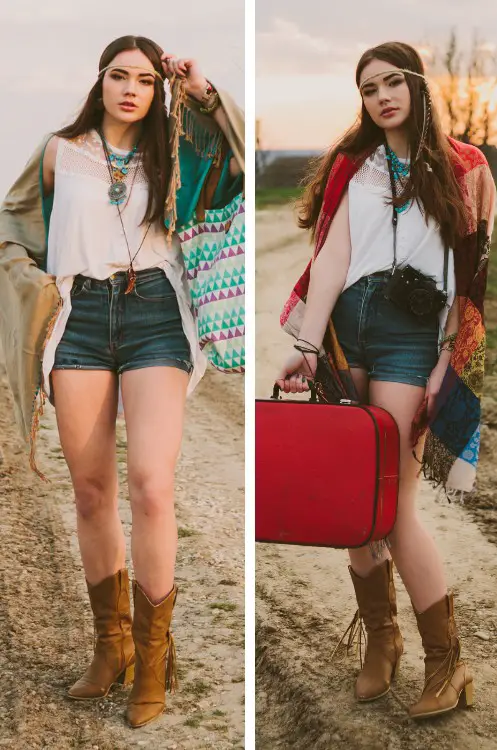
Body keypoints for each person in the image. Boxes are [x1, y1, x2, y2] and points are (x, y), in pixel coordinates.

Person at [0, 35, 243, 729]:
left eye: (143, 78)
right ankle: (112, 646)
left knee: (151, 486)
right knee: (91, 490)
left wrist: (200, 93)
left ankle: (155, 658)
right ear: (99, 81)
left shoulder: (179, 152)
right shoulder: (57, 151)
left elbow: (239, 168)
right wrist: (30, 286)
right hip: (78, 316)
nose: (131, 88)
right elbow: (13, 227)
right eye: (119, 76)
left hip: (156, 315)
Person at [277, 41, 495, 719]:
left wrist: (444, 366)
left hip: (409, 340)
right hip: (350, 333)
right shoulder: (355, 165)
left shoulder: (466, 167)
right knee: (352, 502)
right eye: (369, 88)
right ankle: (383, 638)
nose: (381, 96)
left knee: (393, 510)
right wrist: (308, 346)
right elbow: (333, 257)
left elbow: (470, 276)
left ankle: (448, 664)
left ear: (417, 84)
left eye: (392, 81)